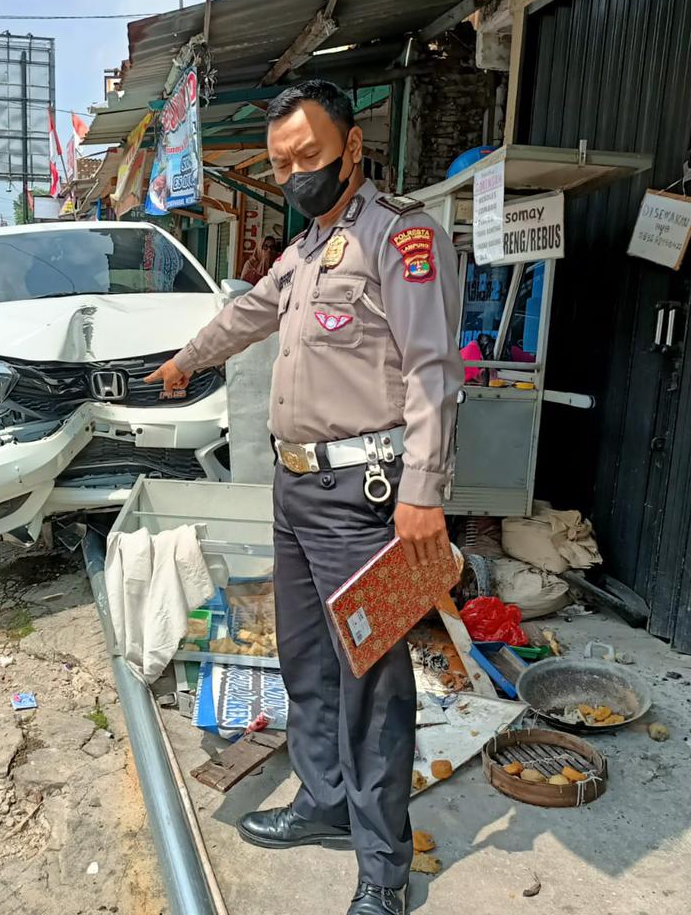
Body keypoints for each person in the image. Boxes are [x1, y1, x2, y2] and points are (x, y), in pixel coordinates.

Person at [145, 79, 462, 915]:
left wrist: (424, 492)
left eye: (310, 158)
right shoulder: (308, 246)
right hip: (295, 489)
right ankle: (325, 803)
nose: (295, 176)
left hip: (366, 492)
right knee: (307, 661)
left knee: (373, 680)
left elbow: (435, 371)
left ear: (352, 149)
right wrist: (187, 360)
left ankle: (385, 872)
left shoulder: (403, 239)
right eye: (282, 165)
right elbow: (248, 313)